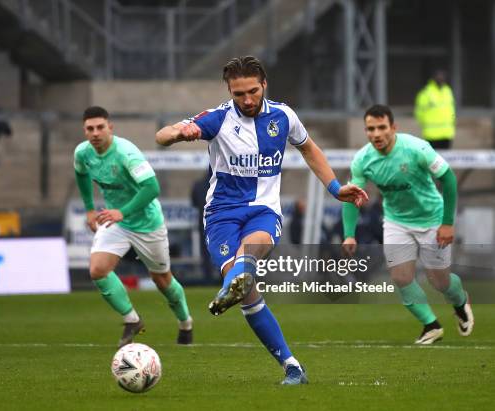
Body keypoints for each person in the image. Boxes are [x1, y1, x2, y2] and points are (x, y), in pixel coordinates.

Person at [155, 56, 368, 385]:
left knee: (249, 254)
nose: (247, 100)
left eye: (253, 91)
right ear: (230, 91)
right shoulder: (217, 119)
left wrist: (336, 187)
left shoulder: (283, 116)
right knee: (247, 293)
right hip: (221, 215)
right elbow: (161, 136)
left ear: (264, 84)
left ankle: (237, 278)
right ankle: (292, 366)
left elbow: (310, 149)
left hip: (263, 210)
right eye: (239, 94)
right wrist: (181, 133)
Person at [342, 104, 474, 345]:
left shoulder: (416, 148)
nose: (377, 134)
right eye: (371, 129)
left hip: (432, 218)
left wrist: (447, 223)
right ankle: (431, 325)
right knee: (401, 277)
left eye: (382, 127)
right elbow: (352, 196)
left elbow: (449, 179)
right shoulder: (362, 159)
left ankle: (460, 301)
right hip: (396, 221)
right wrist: (349, 234)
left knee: (439, 281)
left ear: (394, 128)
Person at [74, 106, 193, 347]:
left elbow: (152, 188)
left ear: (110, 128)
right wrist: (88, 209)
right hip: (114, 221)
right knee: (97, 270)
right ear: (84, 131)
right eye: (90, 128)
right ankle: (132, 320)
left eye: (100, 127)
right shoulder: (83, 153)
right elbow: (81, 174)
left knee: (162, 280)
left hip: (147, 223)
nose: (95, 133)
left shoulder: (127, 153)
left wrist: (122, 211)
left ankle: (185, 322)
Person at [414, 69, 455, 149]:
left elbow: (452, 109)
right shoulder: (425, 93)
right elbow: (419, 113)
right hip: (431, 134)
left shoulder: (448, 91)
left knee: (445, 160)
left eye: (442, 77)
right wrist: (426, 124)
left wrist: (452, 120)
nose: (441, 79)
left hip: (447, 133)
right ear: (433, 78)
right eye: (438, 77)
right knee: (433, 160)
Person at [191, 171, 216, 283]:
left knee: (205, 251)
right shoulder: (220, 184)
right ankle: (223, 275)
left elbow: (194, 203)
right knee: (223, 248)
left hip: (204, 221)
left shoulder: (198, 184)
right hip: (219, 221)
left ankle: (208, 276)